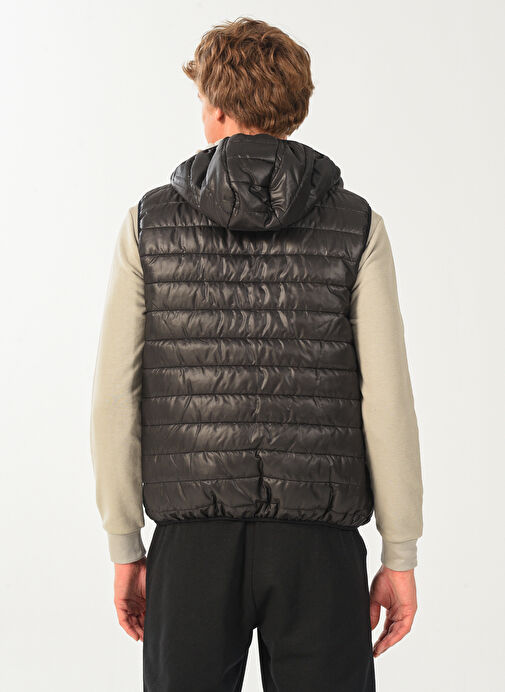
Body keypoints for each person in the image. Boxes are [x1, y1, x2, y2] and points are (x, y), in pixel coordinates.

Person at [90, 16, 423, 692]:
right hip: (318, 546)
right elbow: (386, 399)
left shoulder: (148, 223)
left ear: (214, 109)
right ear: (295, 111)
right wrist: (399, 551)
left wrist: (125, 543)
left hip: (191, 543)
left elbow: (114, 398)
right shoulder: (357, 226)